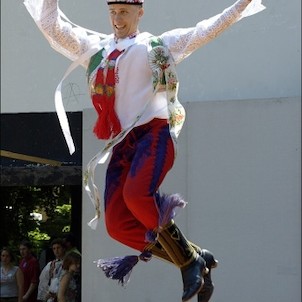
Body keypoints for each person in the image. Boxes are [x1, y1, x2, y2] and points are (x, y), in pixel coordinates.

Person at [23, 0, 265, 301]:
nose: (117, 18)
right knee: (117, 225)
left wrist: (241, 5)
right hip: (122, 144)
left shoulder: (156, 46)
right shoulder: (96, 49)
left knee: (136, 196)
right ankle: (193, 256)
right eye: (112, 12)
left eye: (124, 12)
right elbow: (52, 28)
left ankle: (189, 262)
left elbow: (206, 30)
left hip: (153, 136)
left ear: (140, 13)